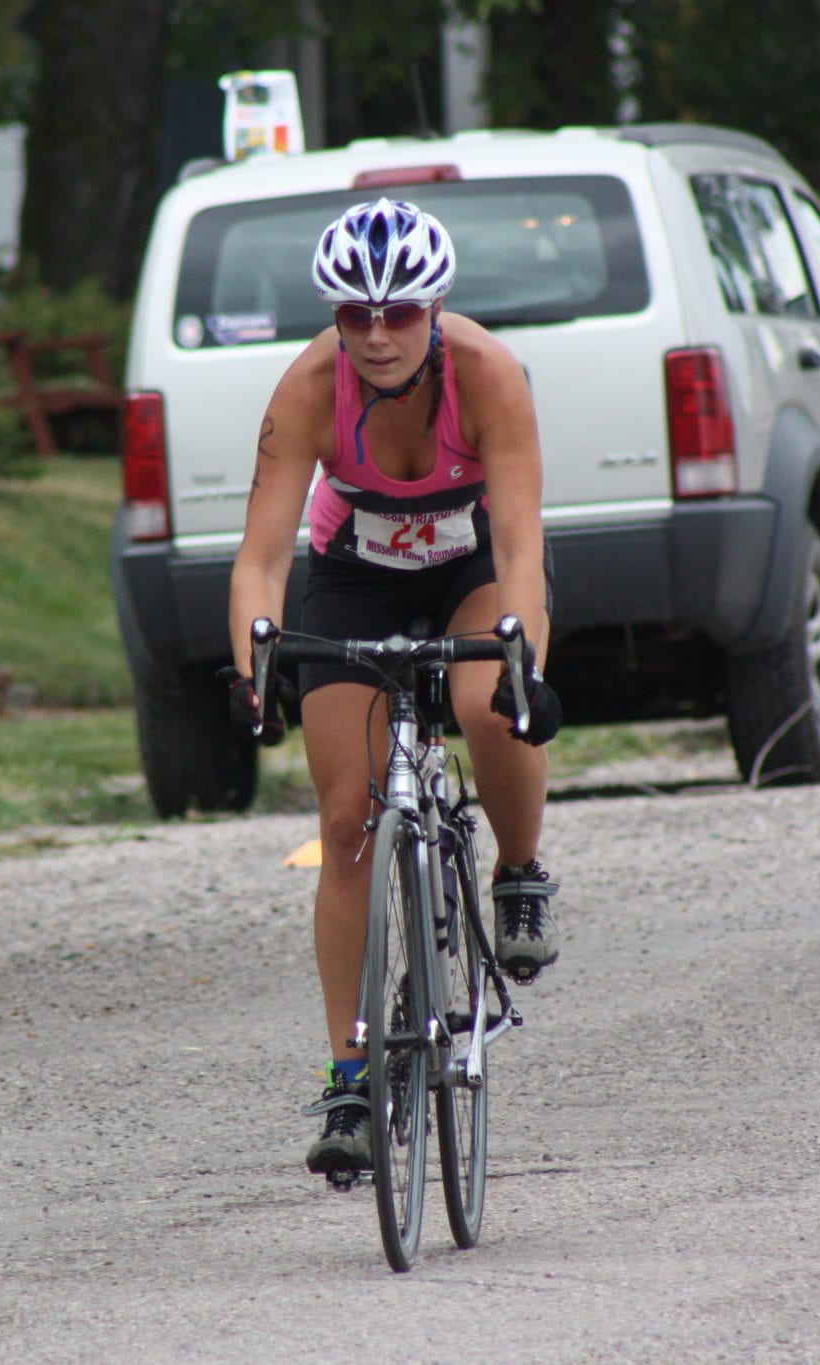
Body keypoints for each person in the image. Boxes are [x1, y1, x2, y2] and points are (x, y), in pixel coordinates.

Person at [227, 199, 562, 1176]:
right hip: (356, 577)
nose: (378, 334)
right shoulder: (308, 388)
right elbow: (260, 559)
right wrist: (253, 671)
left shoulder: (488, 373)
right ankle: (350, 1078)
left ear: (435, 307)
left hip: (472, 569)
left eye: (400, 312)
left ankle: (518, 870)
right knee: (346, 820)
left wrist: (526, 669)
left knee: (487, 706)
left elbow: (522, 548)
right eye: (355, 313)